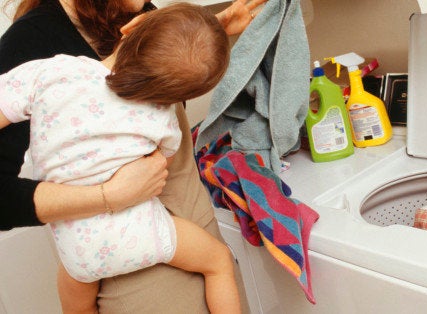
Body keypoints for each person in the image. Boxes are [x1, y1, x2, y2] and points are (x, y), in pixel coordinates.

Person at [0, 0, 265, 311]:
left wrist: (215, 26)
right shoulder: (31, 40)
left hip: (193, 231)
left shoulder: (131, 13)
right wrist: (109, 194)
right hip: (142, 279)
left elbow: (168, 55)